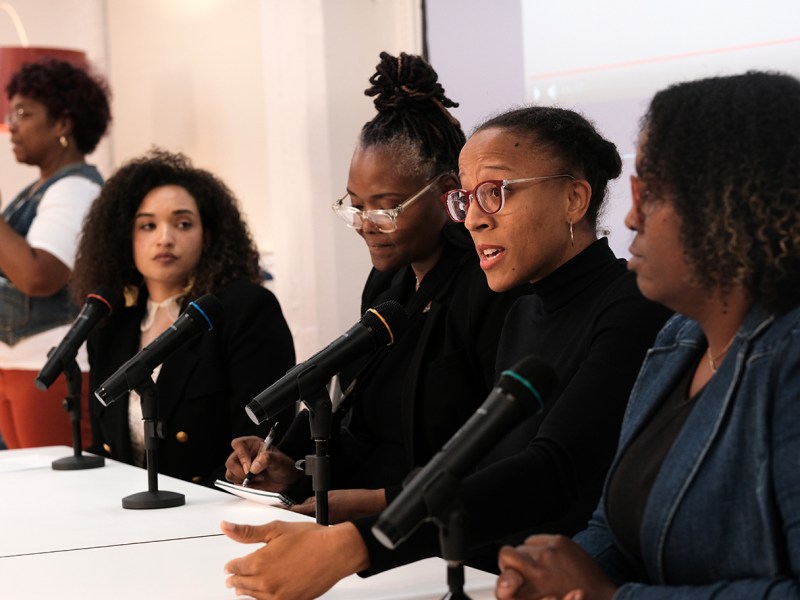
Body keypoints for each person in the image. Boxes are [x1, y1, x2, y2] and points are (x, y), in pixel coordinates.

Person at [220, 104, 674, 599]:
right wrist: (364, 509)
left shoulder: (631, 305)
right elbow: (484, 468)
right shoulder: (523, 312)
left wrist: (357, 544)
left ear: (573, 198)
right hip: (494, 574)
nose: (474, 220)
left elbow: (554, 473)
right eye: (466, 199)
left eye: (495, 194)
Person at [493, 71, 800, 600]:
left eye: (652, 193)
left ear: (729, 205)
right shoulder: (675, 343)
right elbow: (619, 527)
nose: (631, 216)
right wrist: (552, 573)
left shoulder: (790, 362)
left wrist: (613, 599)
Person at [225, 51, 529, 521]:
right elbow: (362, 429)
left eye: (386, 207)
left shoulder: (489, 287)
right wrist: (294, 471)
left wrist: (380, 504)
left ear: (448, 191)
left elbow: (493, 458)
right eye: (355, 205)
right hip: (364, 521)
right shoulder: (387, 283)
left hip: (444, 533)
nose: (365, 225)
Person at [70, 150, 296, 486]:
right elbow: (108, 448)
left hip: (213, 507)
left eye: (183, 223)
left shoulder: (245, 309)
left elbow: (261, 446)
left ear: (208, 237)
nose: (165, 238)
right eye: (148, 225)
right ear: (125, 238)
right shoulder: (113, 321)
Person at [0, 58, 111, 449]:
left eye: (25, 113)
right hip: (21, 364)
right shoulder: (35, 192)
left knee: (53, 493)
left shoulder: (74, 190)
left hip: (52, 367)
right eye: (12, 112)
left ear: (63, 123)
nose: (12, 124)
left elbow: (39, 277)